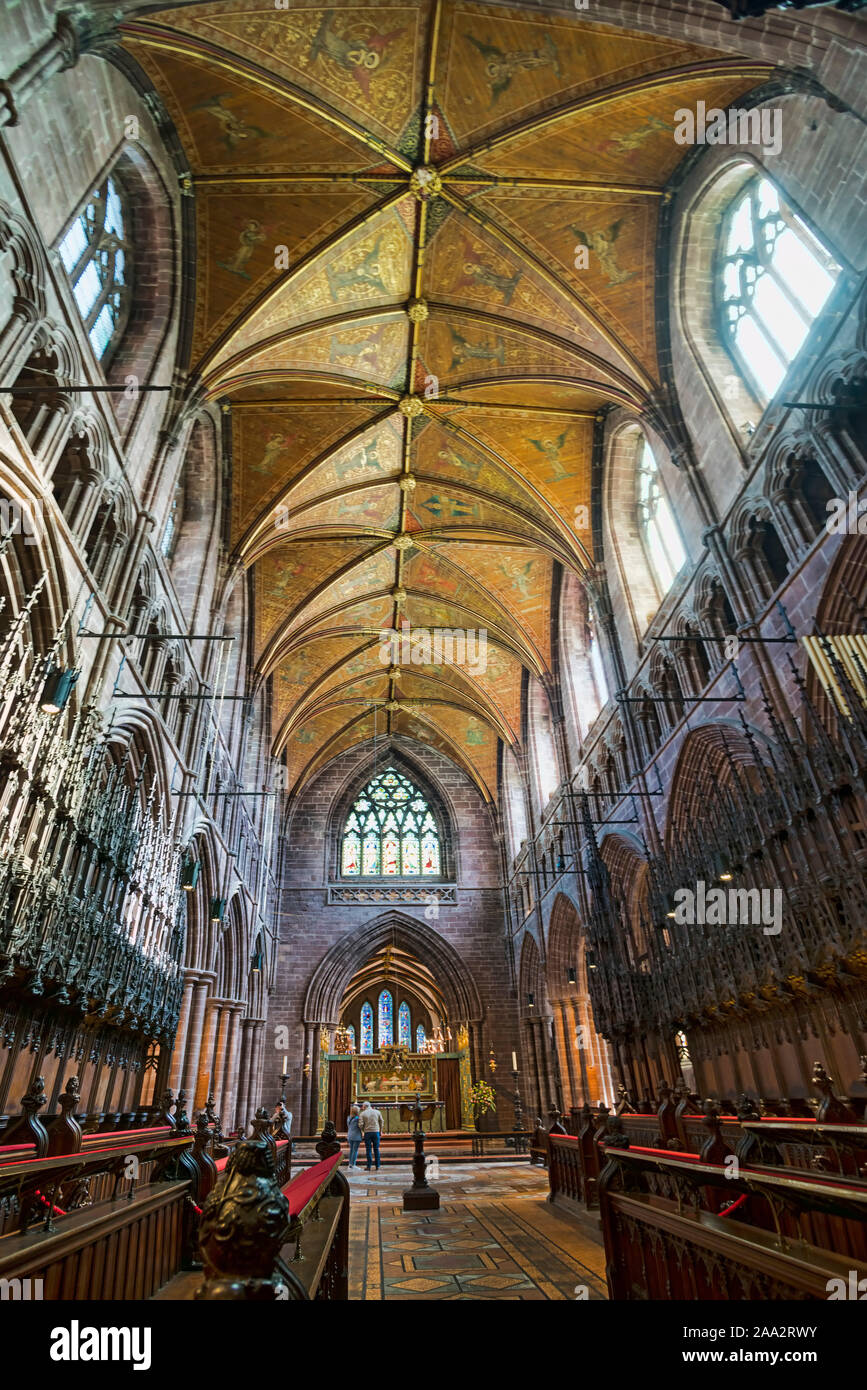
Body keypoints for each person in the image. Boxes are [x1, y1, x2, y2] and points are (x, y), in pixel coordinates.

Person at [358, 1099, 383, 1171]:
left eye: (362, 1106)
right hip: (376, 1132)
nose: (362, 1108)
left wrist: (363, 1130)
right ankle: (377, 1166)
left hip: (367, 1133)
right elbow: (381, 1121)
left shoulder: (362, 1114)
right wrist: (380, 1131)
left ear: (365, 1106)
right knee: (376, 1149)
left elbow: (360, 1124)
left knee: (368, 1149)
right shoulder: (377, 1112)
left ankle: (369, 1166)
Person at [346, 1103, 362, 1168]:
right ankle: (353, 1165)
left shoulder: (348, 1118)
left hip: (350, 1135)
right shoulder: (357, 1118)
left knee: (351, 1150)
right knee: (355, 1150)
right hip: (356, 1136)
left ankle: (350, 1164)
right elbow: (360, 1126)